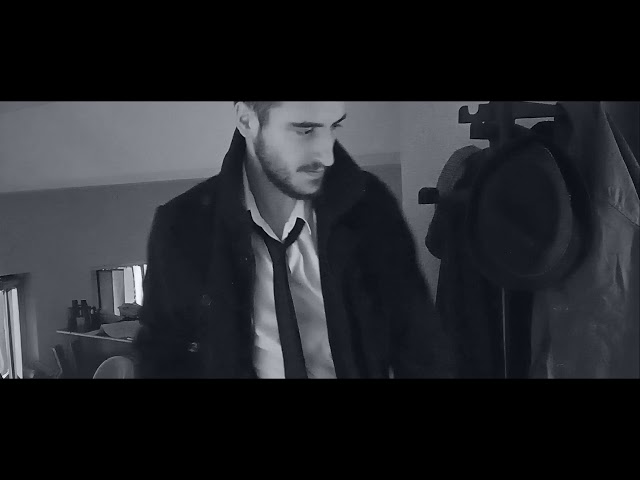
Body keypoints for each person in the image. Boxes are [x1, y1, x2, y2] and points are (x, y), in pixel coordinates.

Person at [134, 101, 453, 378]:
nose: (327, 155)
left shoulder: (370, 207)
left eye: (333, 126)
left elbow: (422, 346)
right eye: (305, 130)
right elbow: (160, 357)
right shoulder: (183, 226)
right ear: (247, 120)